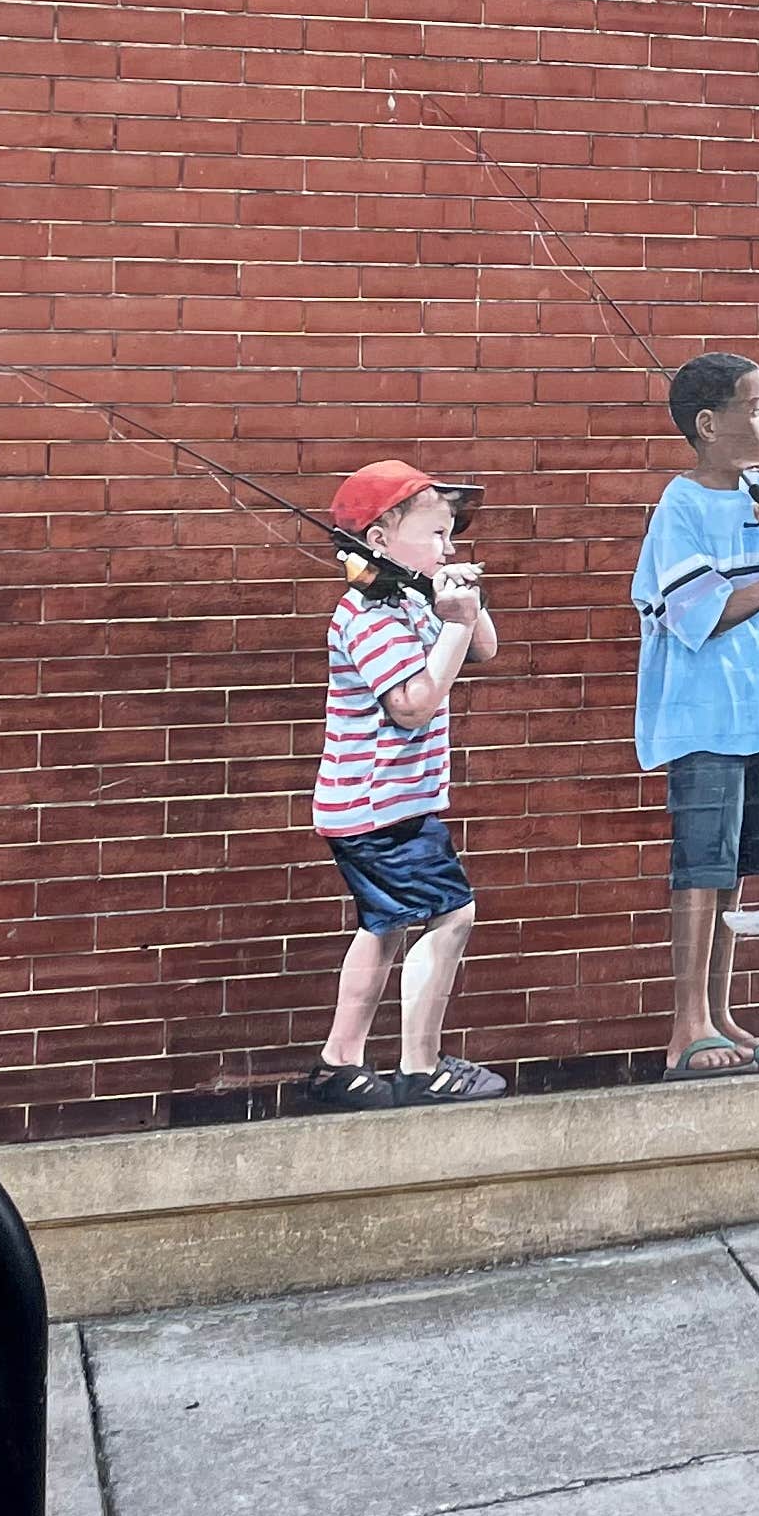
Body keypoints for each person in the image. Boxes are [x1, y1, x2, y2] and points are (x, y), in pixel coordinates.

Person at [633, 351, 759, 1076]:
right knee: (700, 865)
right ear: (709, 425)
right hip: (703, 714)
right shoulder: (680, 505)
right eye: (757, 409)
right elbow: (697, 612)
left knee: (734, 870)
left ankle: (719, 1015)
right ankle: (685, 1026)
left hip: (757, 706)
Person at [310, 458, 506, 1107]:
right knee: (452, 913)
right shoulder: (366, 615)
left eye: (452, 536)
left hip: (390, 802)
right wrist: (452, 621)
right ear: (379, 542)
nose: (449, 548)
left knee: (385, 925)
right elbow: (414, 703)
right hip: (379, 806)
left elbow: (485, 649)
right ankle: (422, 1068)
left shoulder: (412, 598)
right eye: (436, 535)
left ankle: (340, 1063)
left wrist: (462, 607)